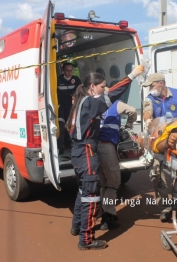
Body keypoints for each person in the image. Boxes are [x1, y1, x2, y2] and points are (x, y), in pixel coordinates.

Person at [65, 65, 144, 251]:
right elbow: (113, 95)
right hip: (86, 151)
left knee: (82, 191)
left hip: (77, 151)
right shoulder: (89, 102)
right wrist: (132, 76)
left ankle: (76, 226)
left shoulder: (80, 101)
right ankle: (86, 239)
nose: (104, 90)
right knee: (91, 196)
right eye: (102, 87)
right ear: (92, 86)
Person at [142, 72, 177, 222]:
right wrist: (148, 122)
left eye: (151, 86)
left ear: (161, 84)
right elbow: (147, 112)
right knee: (159, 177)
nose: (150, 89)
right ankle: (165, 208)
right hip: (160, 143)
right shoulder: (150, 98)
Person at [98, 99, 137, 230]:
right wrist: (129, 125)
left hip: (94, 147)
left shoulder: (94, 104)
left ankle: (103, 211)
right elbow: (132, 111)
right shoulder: (116, 104)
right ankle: (109, 216)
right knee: (114, 183)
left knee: (103, 182)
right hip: (106, 146)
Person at [57, 62, 82, 154]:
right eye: (67, 71)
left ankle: (71, 144)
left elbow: (81, 92)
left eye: (71, 71)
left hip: (72, 107)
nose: (69, 73)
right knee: (61, 125)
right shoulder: (58, 80)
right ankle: (61, 145)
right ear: (63, 71)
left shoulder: (76, 80)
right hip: (61, 106)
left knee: (72, 126)